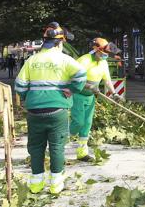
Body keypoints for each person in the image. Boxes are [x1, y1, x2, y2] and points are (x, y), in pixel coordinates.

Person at [14, 22, 87, 195]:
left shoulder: (32, 60)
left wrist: (30, 98)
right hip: (57, 112)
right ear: (60, 42)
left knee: (36, 147)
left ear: (44, 41)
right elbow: (81, 75)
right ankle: (55, 184)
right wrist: (73, 90)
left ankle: (36, 184)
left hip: (34, 113)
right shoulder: (65, 59)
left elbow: (19, 85)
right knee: (56, 147)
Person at [70, 37, 118, 161]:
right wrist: (89, 85)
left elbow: (107, 80)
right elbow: (73, 79)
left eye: (107, 54)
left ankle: (82, 153)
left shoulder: (103, 63)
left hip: (90, 97)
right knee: (78, 122)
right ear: (95, 49)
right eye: (103, 54)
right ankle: (57, 145)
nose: (105, 56)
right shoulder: (84, 60)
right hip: (78, 96)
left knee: (86, 125)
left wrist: (114, 93)